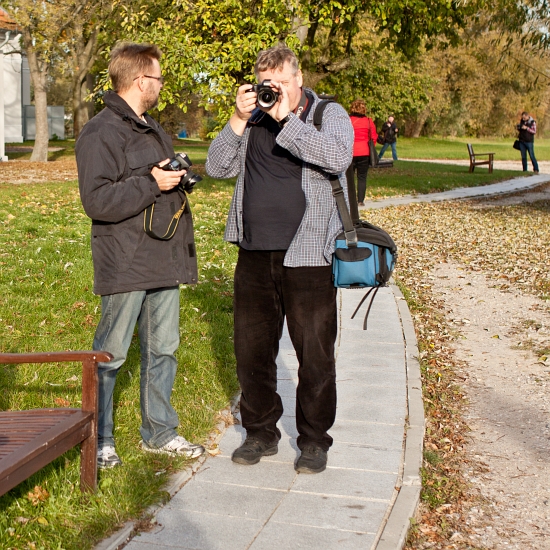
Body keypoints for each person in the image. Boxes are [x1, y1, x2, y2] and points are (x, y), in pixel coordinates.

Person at [205, 44, 353, 474]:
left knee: (315, 355)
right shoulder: (250, 120)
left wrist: (286, 118)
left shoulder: (328, 114)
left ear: (299, 79)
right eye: (267, 85)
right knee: (252, 351)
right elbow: (216, 167)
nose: (275, 92)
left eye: (283, 84)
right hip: (253, 251)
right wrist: (237, 117)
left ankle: (313, 441)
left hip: (308, 255)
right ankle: (260, 433)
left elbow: (337, 157)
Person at [76, 42, 205, 469]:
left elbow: (156, 179)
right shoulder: (101, 132)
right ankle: (100, 439)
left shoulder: (151, 126)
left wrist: (177, 177)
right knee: (111, 355)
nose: (162, 85)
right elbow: (97, 200)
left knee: (163, 349)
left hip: (162, 257)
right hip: (125, 260)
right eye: (159, 78)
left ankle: (159, 433)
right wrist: (153, 183)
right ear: (139, 81)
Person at [349, 99, 377, 206]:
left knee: (349, 178)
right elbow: (373, 137)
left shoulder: (348, 120)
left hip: (350, 152)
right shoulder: (369, 121)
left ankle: (350, 200)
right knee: (362, 177)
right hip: (364, 152)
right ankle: (360, 201)